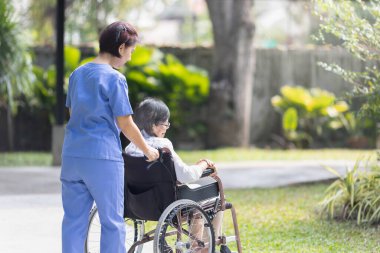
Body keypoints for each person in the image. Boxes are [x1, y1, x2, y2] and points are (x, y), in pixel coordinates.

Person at [60, 21, 159, 253]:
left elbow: (73, 113)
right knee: (112, 223)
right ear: (122, 47)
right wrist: (148, 150)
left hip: (72, 156)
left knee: (73, 222)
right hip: (102, 158)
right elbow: (125, 123)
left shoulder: (77, 74)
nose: (131, 58)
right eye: (131, 51)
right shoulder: (115, 78)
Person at [125, 97, 224, 251]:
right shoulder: (163, 145)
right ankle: (203, 248)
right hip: (167, 206)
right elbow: (186, 175)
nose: (166, 128)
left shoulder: (130, 148)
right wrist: (203, 163)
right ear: (154, 125)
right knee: (217, 198)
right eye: (165, 124)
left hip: (137, 205)